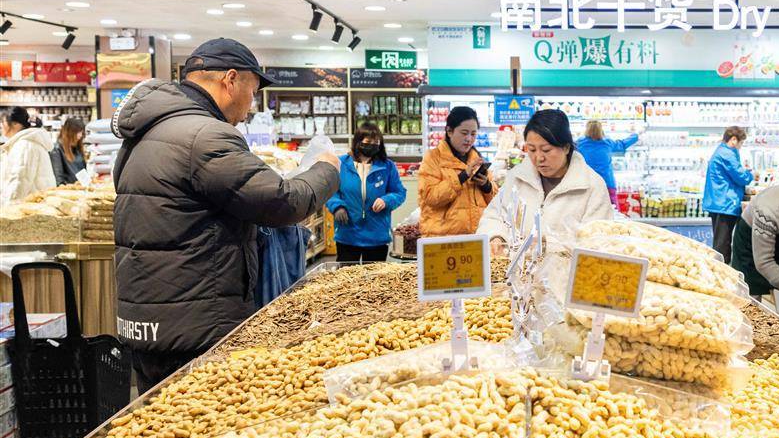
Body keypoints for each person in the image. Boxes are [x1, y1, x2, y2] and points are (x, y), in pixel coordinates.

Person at [112, 38, 340, 393]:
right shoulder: (205, 136)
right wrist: (326, 169)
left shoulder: (145, 134)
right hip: (196, 328)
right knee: (202, 421)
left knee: (160, 417)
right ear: (230, 80)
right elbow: (282, 202)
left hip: (150, 322)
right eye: (253, 91)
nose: (252, 105)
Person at [477, 108, 612, 246]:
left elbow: (598, 242)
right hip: (517, 260)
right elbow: (494, 216)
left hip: (565, 261)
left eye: (546, 150)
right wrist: (496, 237)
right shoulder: (517, 178)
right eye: (532, 149)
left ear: (566, 147)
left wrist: (549, 245)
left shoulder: (591, 186)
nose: (539, 158)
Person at [325, 122, 405, 263]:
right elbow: (329, 191)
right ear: (358, 142)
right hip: (348, 234)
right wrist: (337, 206)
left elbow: (399, 192)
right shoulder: (341, 164)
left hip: (377, 235)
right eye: (368, 142)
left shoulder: (387, 166)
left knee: (375, 276)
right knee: (346, 275)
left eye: (376, 143)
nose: (372, 146)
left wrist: (386, 200)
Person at [418, 106, 496, 237]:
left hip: (476, 237)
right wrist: (462, 176)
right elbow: (430, 197)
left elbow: (495, 203)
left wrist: (486, 186)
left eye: (473, 134)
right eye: (464, 133)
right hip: (443, 240)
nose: (469, 139)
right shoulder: (433, 158)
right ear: (449, 131)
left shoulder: (476, 159)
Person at [702, 126, 754, 263]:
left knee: (721, 242)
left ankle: (720, 268)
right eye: (741, 143)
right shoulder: (727, 154)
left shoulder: (721, 150)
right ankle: (722, 271)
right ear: (733, 140)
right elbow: (741, 176)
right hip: (725, 204)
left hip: (719, 202)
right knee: (722, 245)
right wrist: (751, 174)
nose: (740, 146)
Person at [0, 106, 55, 207]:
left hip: (30, 208)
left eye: (3, 122)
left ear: (15, 124)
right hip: (31, 205)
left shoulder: (25, 145)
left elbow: (19, 181)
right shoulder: (22, 143)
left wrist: (7, 208)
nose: (1, 125)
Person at [576, 119, 639, 205]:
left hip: (588, 183)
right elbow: (623, 144)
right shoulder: (607, 143)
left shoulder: (579, 143)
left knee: (588, 209)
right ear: (601, 130)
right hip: (607, 183)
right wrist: (635, 135)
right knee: (611, 209)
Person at [50, 117, 87, 185]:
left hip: (81, 187)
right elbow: (58, 177)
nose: (81, 135)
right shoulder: (57, 150)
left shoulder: (76, 147)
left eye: (82, 132)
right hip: (69, 189)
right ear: (70, 132)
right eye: (78, 132)